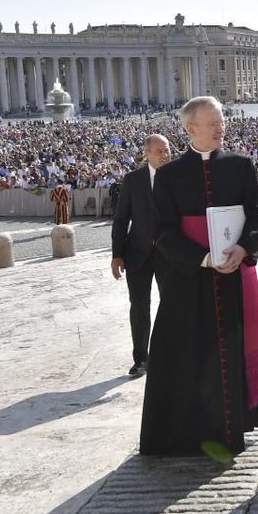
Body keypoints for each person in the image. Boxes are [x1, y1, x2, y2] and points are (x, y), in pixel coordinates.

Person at [139, 97, 258, 456]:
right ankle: (183, 434)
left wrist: (243, 249)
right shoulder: (168, 174)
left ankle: (229, 430)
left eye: (221, 120)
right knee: (184, 355)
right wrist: (204, 258)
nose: (220, 127)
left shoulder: (241, 166)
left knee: (228, 353)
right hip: (188, 278)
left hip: (233, 275)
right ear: (190, 128)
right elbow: (161, 231)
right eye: (211, 122)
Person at [112, 134, 173, 378]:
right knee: (139, 307)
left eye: (167, 150)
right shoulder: (132, 180)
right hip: (137, 254)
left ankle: (170, 355)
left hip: (170, 254)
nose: (164, 154)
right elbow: (121, 218)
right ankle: (141, 359)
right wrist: (117, 255)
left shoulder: (177, 177)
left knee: (171, 304)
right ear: (146, 153)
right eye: (159, 151)